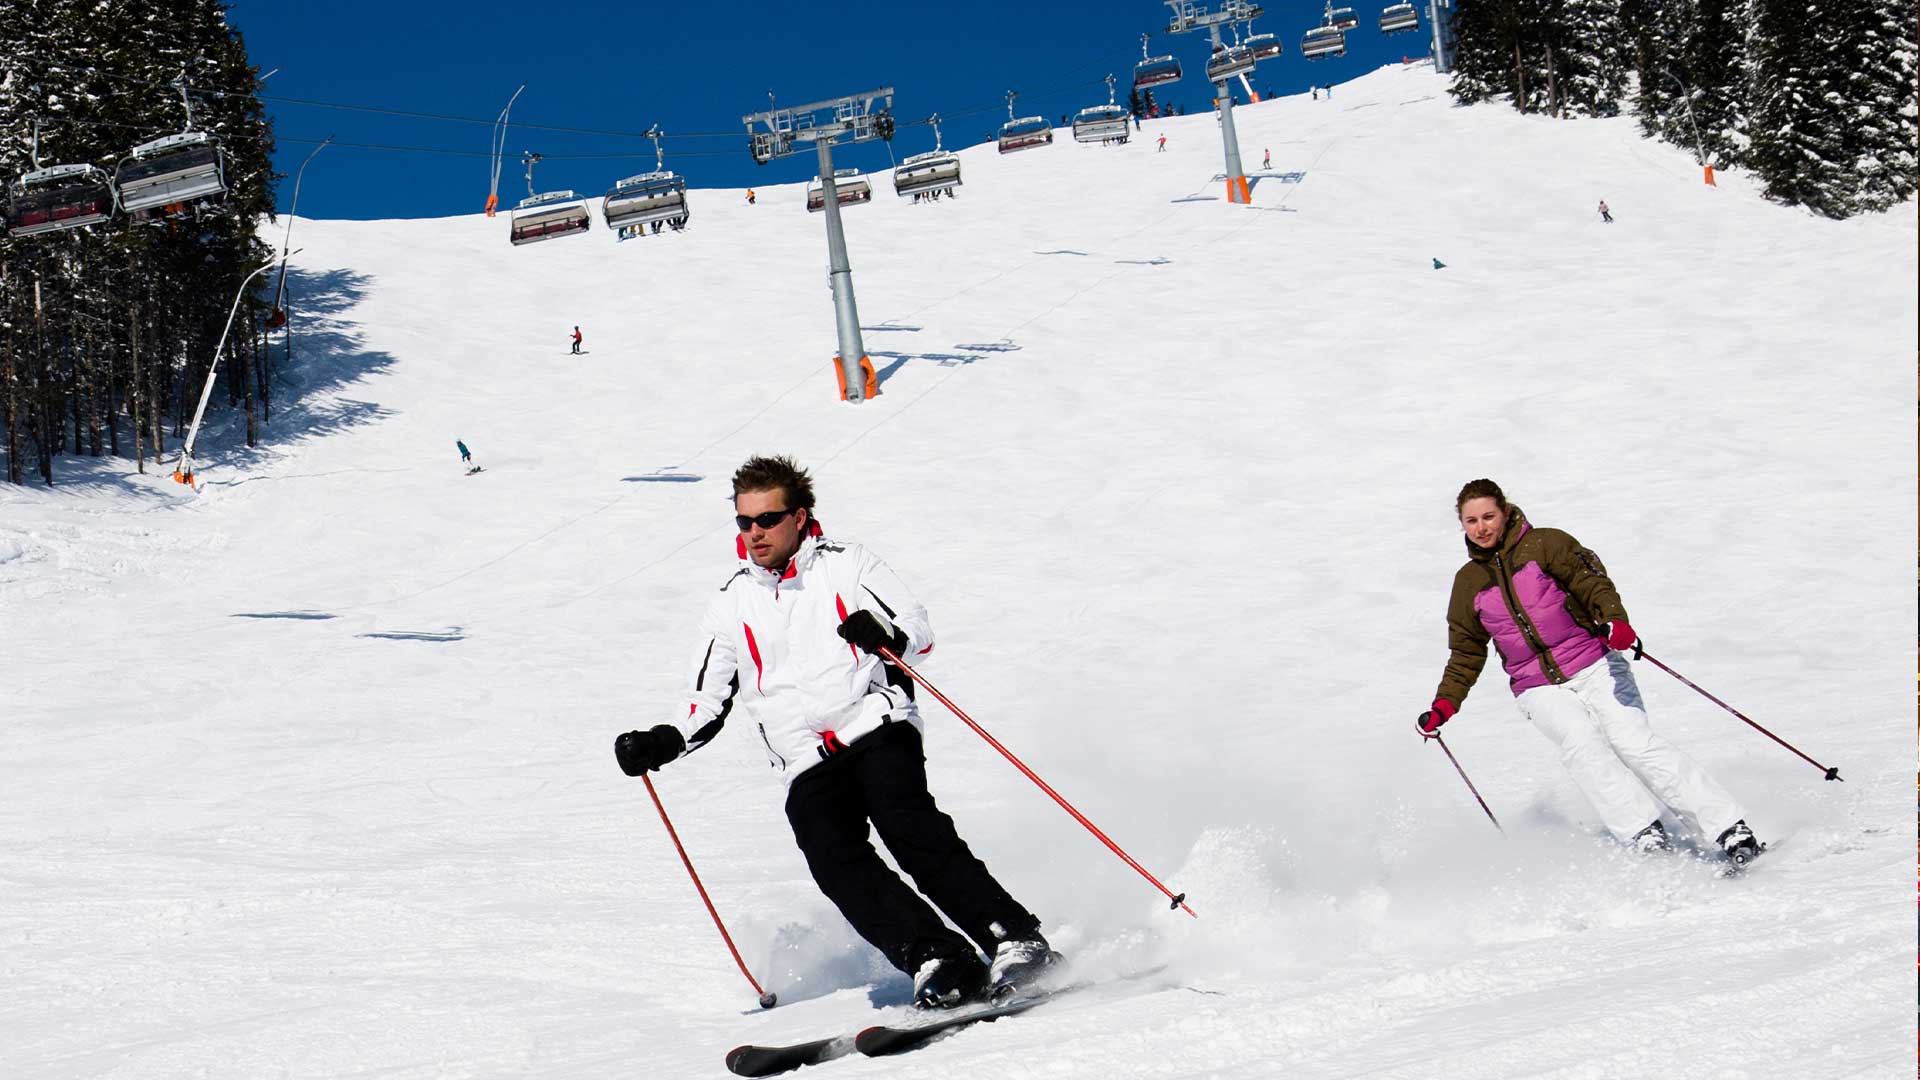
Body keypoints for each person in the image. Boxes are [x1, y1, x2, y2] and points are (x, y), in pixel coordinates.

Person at [614, 456, 1059, 1008]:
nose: (754, 533)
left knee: (907, 826)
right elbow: (707, 699)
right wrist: (663, 740)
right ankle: (938, 957)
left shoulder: (847, 565)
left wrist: (885, 632)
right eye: (744, 521)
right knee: (833, 857)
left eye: (767, 519)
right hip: (801, 758)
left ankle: (1012, 937)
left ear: (799, 517)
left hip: (873, 723)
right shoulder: (730, 602)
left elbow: (918, 629)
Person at [1416, 479, 1762, 863]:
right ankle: (1642, 833)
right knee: (1581, 743)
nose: (1481, 528)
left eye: (1488, 516)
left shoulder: (1546, 544)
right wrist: (1445, 704)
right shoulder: (1468, 584)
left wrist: (1615, 621)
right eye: (1471, 521)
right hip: (1537, 686)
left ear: (1505, 511)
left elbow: (1592, 583)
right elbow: (1466, 651)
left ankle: (1729, 828)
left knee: (1633, 741)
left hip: (1595, 662)